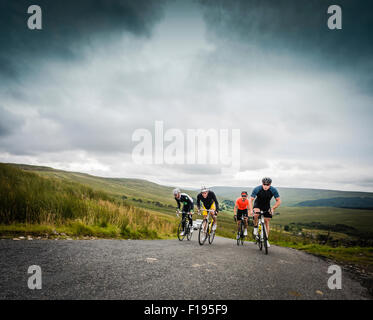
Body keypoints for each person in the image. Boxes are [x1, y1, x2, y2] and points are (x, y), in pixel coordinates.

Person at [248, 177, 281, 248]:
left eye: (267, 185)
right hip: (258, 204)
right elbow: (250, 200)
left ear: (270, 184)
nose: (265, 186)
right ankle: (255, 227)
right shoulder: (257, 189)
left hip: (266, 206)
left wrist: (273, 208)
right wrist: (251, 210)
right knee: (256, 214)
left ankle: (266, 240)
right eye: (264, 184)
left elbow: (278, 201)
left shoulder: (273, 190)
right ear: (262, 184)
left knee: (266, 221)